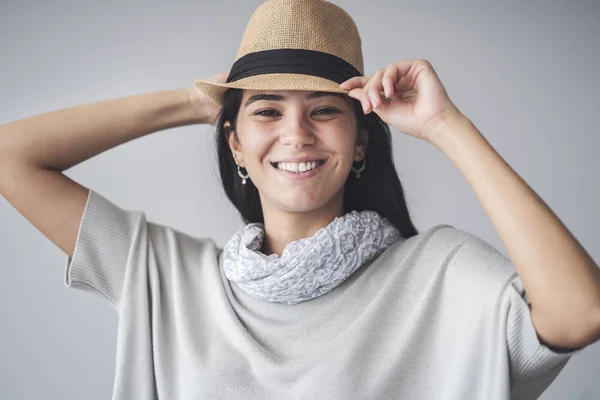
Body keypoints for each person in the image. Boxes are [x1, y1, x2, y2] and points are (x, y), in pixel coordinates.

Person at [1, 0, 599, 398]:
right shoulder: (164, 277)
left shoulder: (438, 275)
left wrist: (445, 125)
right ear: (234, 145)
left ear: (360, 141)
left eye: (323, 111)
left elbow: (581, 314)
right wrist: (192, 102)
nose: (297, 134)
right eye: (268, 111)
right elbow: (10, 156)